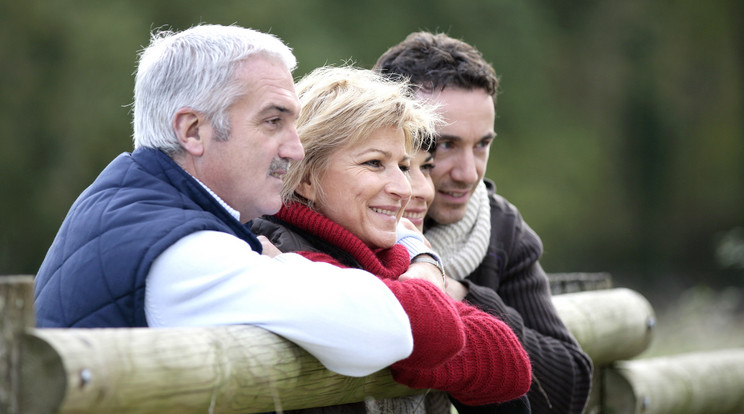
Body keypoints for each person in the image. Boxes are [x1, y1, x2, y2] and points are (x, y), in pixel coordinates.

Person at [30, 24, 448, 380]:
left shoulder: (138, 205)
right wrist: (421, 257)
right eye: (273, 121)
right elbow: (396, 331)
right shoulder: (186, 250)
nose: (295, 149)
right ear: (193, 131)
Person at [253, 65, 532, 413]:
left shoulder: (381, 257)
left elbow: (510, 366)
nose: (403, 188)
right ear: (305, 178)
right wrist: (427, 268)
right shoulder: (276, 251)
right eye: (373, 163)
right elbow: (435, 331)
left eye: (402, 165)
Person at [374, 32, 594, 413]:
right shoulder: (340, 218)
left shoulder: (497, 227)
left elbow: (567, 388)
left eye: (482, 145)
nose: (467, 172)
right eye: (444, 145)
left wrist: (458, 293)